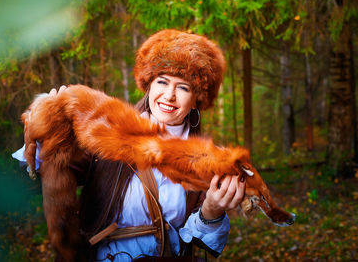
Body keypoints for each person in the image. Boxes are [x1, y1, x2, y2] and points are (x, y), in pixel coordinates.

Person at [14, 29, 246, 261]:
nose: (169, 95)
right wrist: (50, 129)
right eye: (162, 82)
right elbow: (52, 171)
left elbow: (199, 242)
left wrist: (212, 210)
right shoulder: (106, 130)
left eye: (183, 87)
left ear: (198, 99)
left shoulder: (206, 161)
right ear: (149, 85)